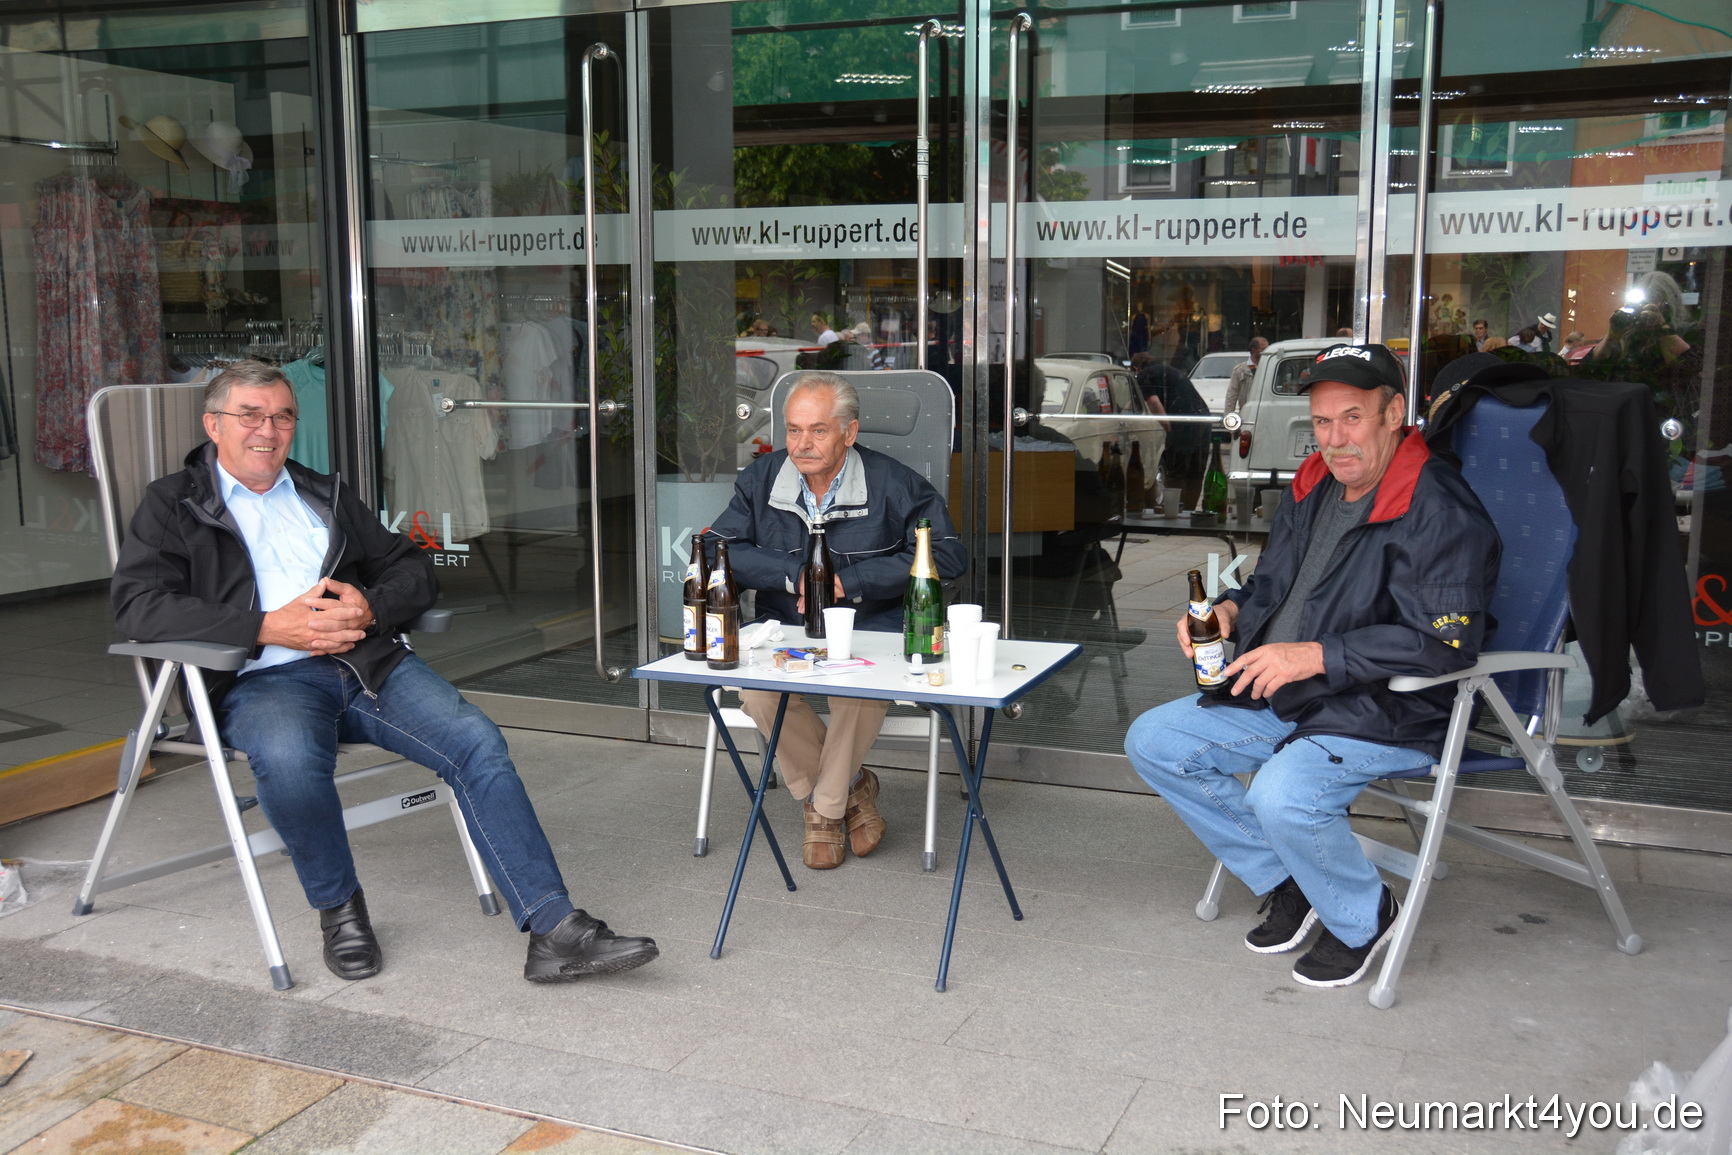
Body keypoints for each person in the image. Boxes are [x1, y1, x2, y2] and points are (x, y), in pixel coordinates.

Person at [111, 362, 659, 985]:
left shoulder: (324, 493)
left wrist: (371, 608)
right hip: (263, 681)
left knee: (476, 741)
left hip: (367, 665)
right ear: (214, 425)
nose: (268, 429)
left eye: (282, 416)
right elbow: (138, 606)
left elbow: (413, 569)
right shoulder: (172, 505)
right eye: (250, 415)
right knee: (290, 763)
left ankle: (553, 929)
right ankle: (340, 912)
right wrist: (264, 627)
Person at [1123, 344, 1499, 989]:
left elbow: (1445, 643)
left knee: (1281, 795)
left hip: (1385, 708)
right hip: (1293, 694)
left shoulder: (1438, 509)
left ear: (1395, 414)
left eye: (1353, 418)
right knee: (1154, 740)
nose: (1335, 440)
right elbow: (1274, 581)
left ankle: (1363, 916)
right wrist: (1233, 611)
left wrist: (1318, 654)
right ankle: (1288, 878)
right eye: (1323, 423)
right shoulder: (1316, 486)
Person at [708, 373, 967, 869]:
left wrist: (852, 580)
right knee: (759, 694)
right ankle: (852, 791)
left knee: (857, 690)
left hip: (872, 625)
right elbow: (723, 547)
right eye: (793, 430)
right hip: (787, 626)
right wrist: (792, 576)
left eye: (818, 430)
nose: (802, 444)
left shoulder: (895, 483)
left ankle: (822, 812)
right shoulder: (761, 479)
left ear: (849, 433)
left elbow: (948, 557)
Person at [1133, 352, 1210, 509]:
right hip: (1202, 417)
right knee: (1195, 471)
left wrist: (1166, 426)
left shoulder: (1144, 375)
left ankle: (1174, 510)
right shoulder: (1170, 370)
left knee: (1176, 469)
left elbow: (1153, 402)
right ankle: (1189, 511)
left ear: (1136, 368)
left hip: (1182, 421)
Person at [1224, 336, 1267, 414]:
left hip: (1265, 413)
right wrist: (1228, 417)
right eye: (1263, 349)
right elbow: (1232, 395)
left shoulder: (1269, 368)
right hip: (1247, 413)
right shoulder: (1240, 370)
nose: (1266, 351)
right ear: (1254, 350)